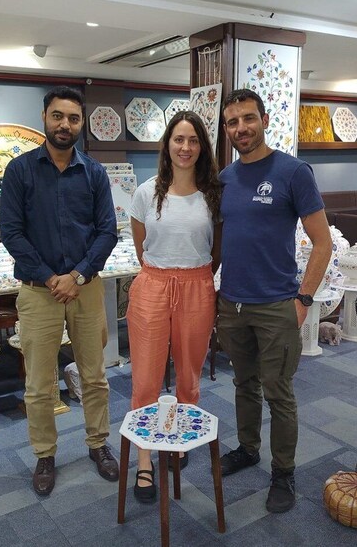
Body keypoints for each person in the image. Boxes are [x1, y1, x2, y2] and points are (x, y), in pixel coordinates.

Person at [0, 86, 119, 497]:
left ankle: (98, 444)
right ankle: (45, 454)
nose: (65, 124)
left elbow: (107, 232)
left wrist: (78, 276)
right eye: (58, 116)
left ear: (81, 123)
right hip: (39, 291)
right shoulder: (20, 171)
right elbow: (11, 233)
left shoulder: (94, 173)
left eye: (73, 118)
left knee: (95, 376)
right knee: (39, 383)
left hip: (86, 289)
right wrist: (52, 278)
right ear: (45, 117)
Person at [216, 88, 331, 513]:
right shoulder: (225, 178)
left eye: (248, 118)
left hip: (276, 305)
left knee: (278, 393)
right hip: (232, 303)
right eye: (233, 122)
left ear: (264, 120)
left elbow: (322, 243)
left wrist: (303, 299)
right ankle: (248, 449)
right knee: (243, 383)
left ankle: (283, 472)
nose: (241, 128)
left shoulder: (293, 172)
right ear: (226, 129)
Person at [126, 110, 222, 503]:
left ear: (202, 147)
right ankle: (144, 460)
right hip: (153, 284)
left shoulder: (214, 194)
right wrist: (163, 275)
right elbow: (141, 245)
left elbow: (215, 249)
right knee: (146, 377)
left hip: (198, 285)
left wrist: (194, 277)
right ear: (167, 144)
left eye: (193, 140)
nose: (185, 147)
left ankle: (179, 438)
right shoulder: (146, 192)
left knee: (189, 373)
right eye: (178, 139)